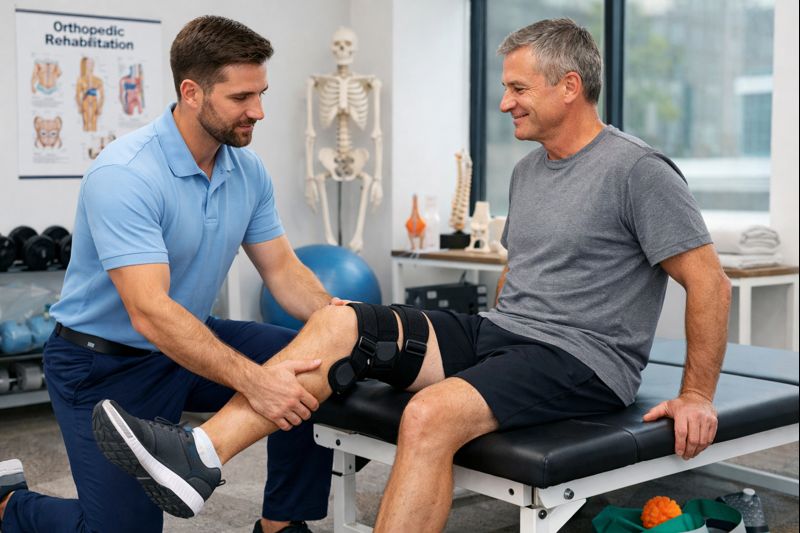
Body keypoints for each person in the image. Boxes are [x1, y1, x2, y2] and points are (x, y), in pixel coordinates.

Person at [91, 18, 729, 532]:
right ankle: (199, 455)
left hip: (583, 359)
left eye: (518, 88)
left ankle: (203, 457)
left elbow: (708, 282)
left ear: (569, 86)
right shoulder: (530, 169)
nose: (504, 102)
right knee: (339, 322)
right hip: (504, 332)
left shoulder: (638, 171)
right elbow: (520, 273)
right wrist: (489, 343)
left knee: (428, 415)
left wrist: (697, 395)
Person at [1, 16, 339, 533]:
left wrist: (340, 321)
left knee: (313, 364)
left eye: (261, 93)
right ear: (192, 92)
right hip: (102, 365)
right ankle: (11, 507)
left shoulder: (247, 170)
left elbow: (283, 270)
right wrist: (257, 382)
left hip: (188, 344)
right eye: (242, 97)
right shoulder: (125, 173)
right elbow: (150, 312)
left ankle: (281, 525)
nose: (258, 111)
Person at [75, 57, 104, 132]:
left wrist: (100, 106)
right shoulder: (81, 80)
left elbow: (102, 96)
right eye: (88, 63)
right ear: (85, 65)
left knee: (94, 123)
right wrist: (79, 106)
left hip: (94, 103)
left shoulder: (98, 80)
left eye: (92, 63)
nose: (91, 65)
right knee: (86, 123)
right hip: (85, 103)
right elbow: (77, 95)